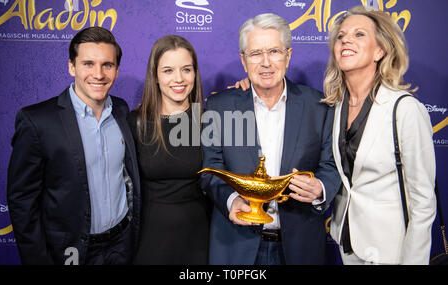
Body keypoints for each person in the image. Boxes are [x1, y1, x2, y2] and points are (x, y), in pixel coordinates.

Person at [200, 13, 340, 265]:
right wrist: (232, 201)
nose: (265, 62)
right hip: (236, 246)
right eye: (255, 54)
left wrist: (320, 189)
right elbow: (210, 170)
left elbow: (331, 166)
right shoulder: (220, 106)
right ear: (244, 61)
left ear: (288, 55)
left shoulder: (319, 106)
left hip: (300, 249)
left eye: (274, 51)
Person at [7, 27, 140, 265]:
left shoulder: (121, 110)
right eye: (88, 64)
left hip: (122, 243)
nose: (98, 74)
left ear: (117, 70)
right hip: (71, 249)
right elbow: (22, 200)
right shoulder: (37, 121)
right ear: (72, 66)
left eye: (107, 65)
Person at [323, 6, 436, 264]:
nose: (346, 40)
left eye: (359, 34)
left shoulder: (405, 109)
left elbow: (423, 201)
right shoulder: (335, 106)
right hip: (348, 245)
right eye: (341, 36)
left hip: (391, 251)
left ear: (380, 51)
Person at [128, 35, 209, 265]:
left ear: (194, 73)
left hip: (200, 238)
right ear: (155, 76)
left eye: (186, 69)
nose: (179, 79)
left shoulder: (208, 121)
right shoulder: (135, 123)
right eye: (168, 70)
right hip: (150, 240)